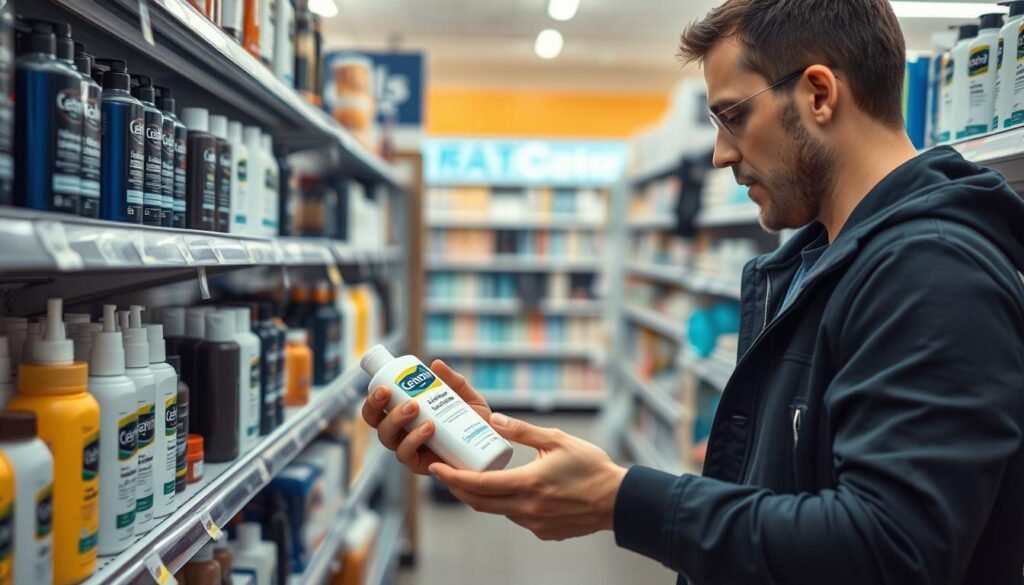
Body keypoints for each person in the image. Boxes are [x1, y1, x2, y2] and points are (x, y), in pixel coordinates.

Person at [362, 0, 1024, 582]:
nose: (719, 154)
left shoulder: (934, 273)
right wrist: (508, 445)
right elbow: (792, 496)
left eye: (732, 116)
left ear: (819, 94)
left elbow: (889, 552)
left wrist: (619, 499)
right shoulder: (818, 262)